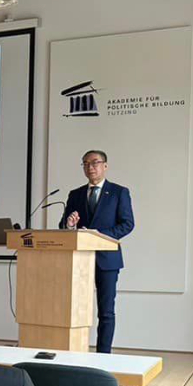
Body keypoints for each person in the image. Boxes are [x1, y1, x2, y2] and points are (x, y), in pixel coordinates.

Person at [62, 150, 134, 353]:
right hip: (79, 261)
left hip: (107, 259)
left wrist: (98, 235)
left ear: (105, 166)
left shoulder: (119, 192)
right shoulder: (75, 194)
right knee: (75, 310)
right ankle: (75, 352)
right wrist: (69, 225)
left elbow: (127, 224)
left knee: (106, 312)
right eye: (85, 163)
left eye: (94, 162)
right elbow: (64, 224)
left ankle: (103, 355)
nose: (90, 167)